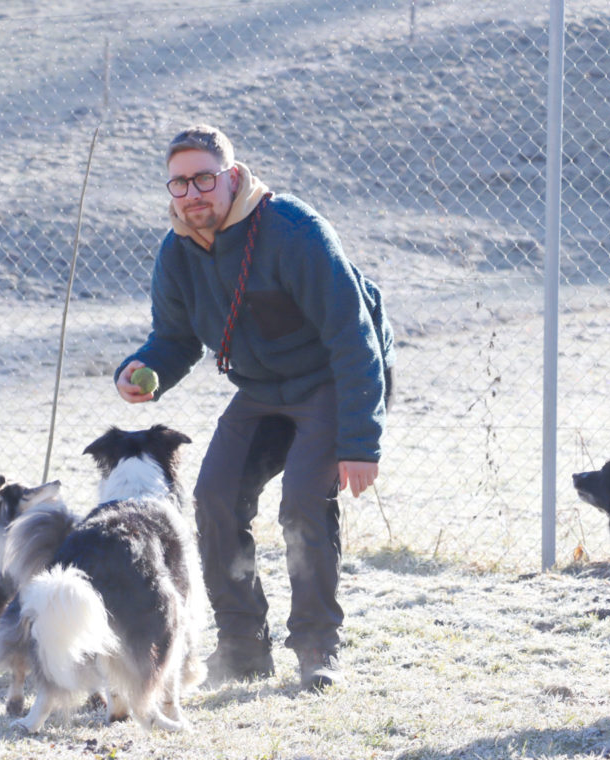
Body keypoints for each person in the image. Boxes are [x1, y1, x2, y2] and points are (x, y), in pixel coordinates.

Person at [114, 124, 396, 691]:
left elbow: (353, 335)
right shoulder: (177, 251)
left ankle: (318, 651)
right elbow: (173, 339)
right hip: (262, 390)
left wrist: (361, 444)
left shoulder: (293, 230)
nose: (192, 193)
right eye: (179, 183)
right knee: (215, 496)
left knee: (301, 504)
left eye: (204, 178)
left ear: (233, 177)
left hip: (329, 383)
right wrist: (144, 371)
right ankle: (243, 647)